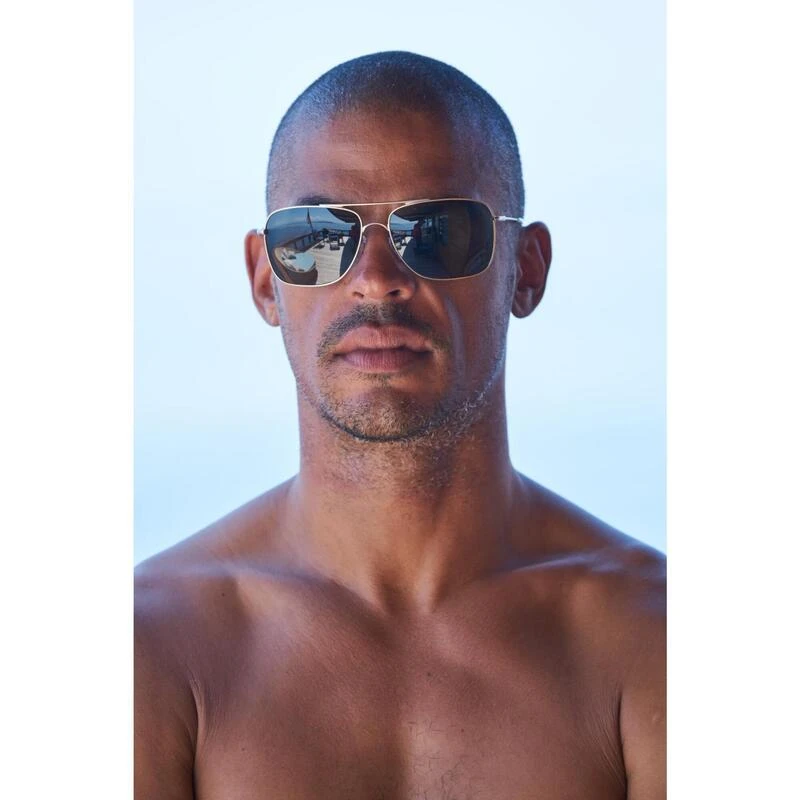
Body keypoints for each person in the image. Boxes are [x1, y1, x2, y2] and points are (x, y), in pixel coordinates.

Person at [135, 51, 665, 799]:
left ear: (527, 268)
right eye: (317, 237)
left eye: (438, 231)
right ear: (265, 279)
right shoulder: (151, 647)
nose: (377, 278)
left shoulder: (655, 640)